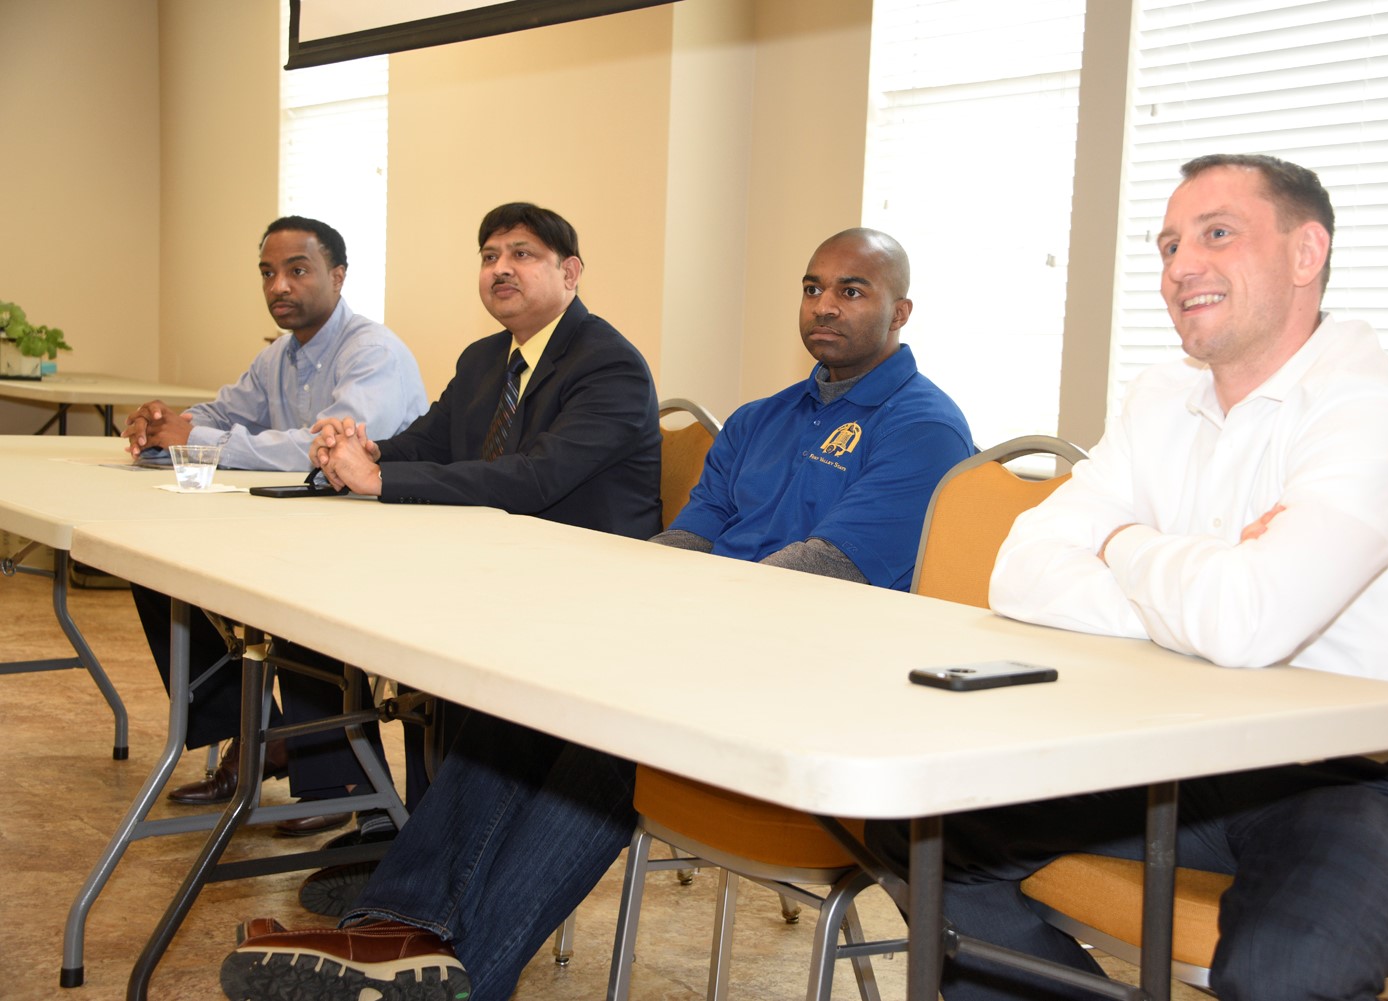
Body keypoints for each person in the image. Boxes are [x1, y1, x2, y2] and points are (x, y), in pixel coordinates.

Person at [220, 227, 974, 1001]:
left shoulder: (922, 427)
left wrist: (664, 620)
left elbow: (822, 572)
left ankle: (464, 975)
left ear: (902, 310)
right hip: (708, 645)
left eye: (852, 291)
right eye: (814, 287)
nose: (824, 306)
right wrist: (632, 608)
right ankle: (394, 932)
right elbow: (687, 535)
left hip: (806, 685)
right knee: (532, 686)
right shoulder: (761, 418)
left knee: (613, 734)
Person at [866, 154, 1388, 1001]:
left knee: (1282, 972)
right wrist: (1194, 580)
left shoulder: (1375, 410)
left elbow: (1245, 622)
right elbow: (1021, 571)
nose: (1181, 266)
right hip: (1201, 752)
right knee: (917, 828)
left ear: (1306, 254)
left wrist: (1122, 545)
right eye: (1169, 245)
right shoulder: (1162, 397)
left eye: (1217, 235)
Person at [124, 217, 428, 831]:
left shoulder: (371, 352)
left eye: (297, 270)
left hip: (381, 534)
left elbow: (320, 451)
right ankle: (256, 734)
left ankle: (332, 778)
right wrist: (164, 424)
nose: (279, 285)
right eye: (268, 272)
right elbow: (222, 410)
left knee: (293, 594)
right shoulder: (280, 356)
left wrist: (201, 438)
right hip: (305, 524)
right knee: (155, 568)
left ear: (338, 276)